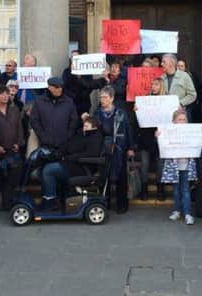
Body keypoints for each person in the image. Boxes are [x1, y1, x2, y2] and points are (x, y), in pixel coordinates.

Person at [30, 77, 79, 210]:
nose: (59, 90)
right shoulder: (40, 102)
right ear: (49, 87)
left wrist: (67, 136)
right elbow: (34, 120)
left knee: (56, 172)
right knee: (45, 173)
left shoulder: (68, 102)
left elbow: (74, 121)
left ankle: (61, 200)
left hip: (63, 146)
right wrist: (42, 135)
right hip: (46, 145)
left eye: (61, 87)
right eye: (56, 87)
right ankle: (49, 200)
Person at [86, 86, 132, 214]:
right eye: (101, 97)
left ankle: (122, 204)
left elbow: (128, 130)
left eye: (105, 97)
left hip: (119, 147)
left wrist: (131, 147)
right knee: (104, 175)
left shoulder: (120, 112)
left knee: (121, 177)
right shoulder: (97, 112)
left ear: (112, 98)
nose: (102, 100)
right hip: (103, 148)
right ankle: (105, 202)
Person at [0, 85, 24, 211]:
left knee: (12, 178)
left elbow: (20, 127)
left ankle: (8, 203)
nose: (5, 96)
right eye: (2, 94)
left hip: (12, 150)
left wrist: (18, 143)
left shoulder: (14, 110)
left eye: (7, 93)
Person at [160, 109, 198, 225]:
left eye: (183, 119)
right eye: (179, 119)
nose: (182, 121)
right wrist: (159, 136)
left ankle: (187, 213)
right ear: (173, 121)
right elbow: (163, 145)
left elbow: (198, 141)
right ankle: (177, 210)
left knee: (186, 190)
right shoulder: (168, 131)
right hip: (174, 167)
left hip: (186, 165)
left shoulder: (191, 131)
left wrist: (201, 133)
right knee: (176, 190)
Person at [160, 53, 197, 119]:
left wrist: (180, 103)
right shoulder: (161, 78)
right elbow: (155, 95)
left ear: (172, 63)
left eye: (164, 62)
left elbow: (192, 95)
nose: (161, 64)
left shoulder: (184, 76)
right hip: (164, 114)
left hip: (180, 114)